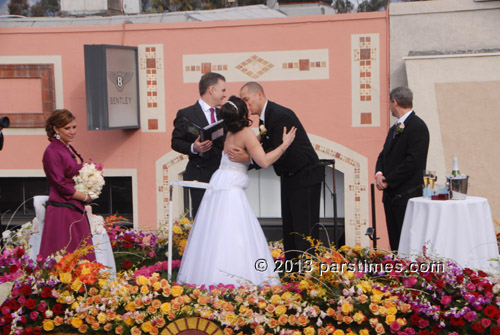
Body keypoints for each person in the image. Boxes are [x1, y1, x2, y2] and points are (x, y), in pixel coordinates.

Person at [177, 96, 296, 287]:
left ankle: (208, 276)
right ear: (242, 113)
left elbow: (246, 149)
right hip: (230, 188)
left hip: (219, 181)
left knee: (215, 232)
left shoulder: (229, 131)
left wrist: (257, 141)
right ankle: (233, 277)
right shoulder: (246, 132)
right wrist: (284, 145)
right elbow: (264, 161)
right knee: (235, 233)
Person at [234, 82, 323, 264]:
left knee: (304, 229)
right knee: (290, 227)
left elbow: (272, 152)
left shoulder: (280, 115)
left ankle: (308, 274)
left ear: (259, 94)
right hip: (289, 177)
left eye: (246, 100)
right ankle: (292, 274)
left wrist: (246, 159)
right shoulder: (265, 119)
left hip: (305, 176)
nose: (245, 105)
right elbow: (264, 148)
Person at [172, 72, 245, 218]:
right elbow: (176, 142)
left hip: (221, 174)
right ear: (212, 90)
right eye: (223, 90)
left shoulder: (223, 114)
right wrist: (194, 148)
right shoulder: (186, 113)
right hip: (199, 173)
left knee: (222, 217)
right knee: (202, 217)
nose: (225, 95)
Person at [375, 86, 429, 251]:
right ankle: (397, 273)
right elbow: (384, 155)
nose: (389, 106)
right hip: (391, 196)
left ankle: (409, 274)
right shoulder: (395, 128)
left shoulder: (418, 127)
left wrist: (389, 180)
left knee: (408, 243)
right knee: (395, 243)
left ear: (395, 101)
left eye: (389, 102)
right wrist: (379, 173)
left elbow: (413, 162)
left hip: (407, 195)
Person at [40, 109, 96, 261]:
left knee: (80, 254)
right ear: (56, 129)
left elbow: (72, 172)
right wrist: (85, 196)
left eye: (74, 127)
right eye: (67, 128)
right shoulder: (52, 151)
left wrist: (91, 172)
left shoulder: (66, 147)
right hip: (62, 209)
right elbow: (59, 183)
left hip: (73, 206)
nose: (72, 132)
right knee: (64, 253)